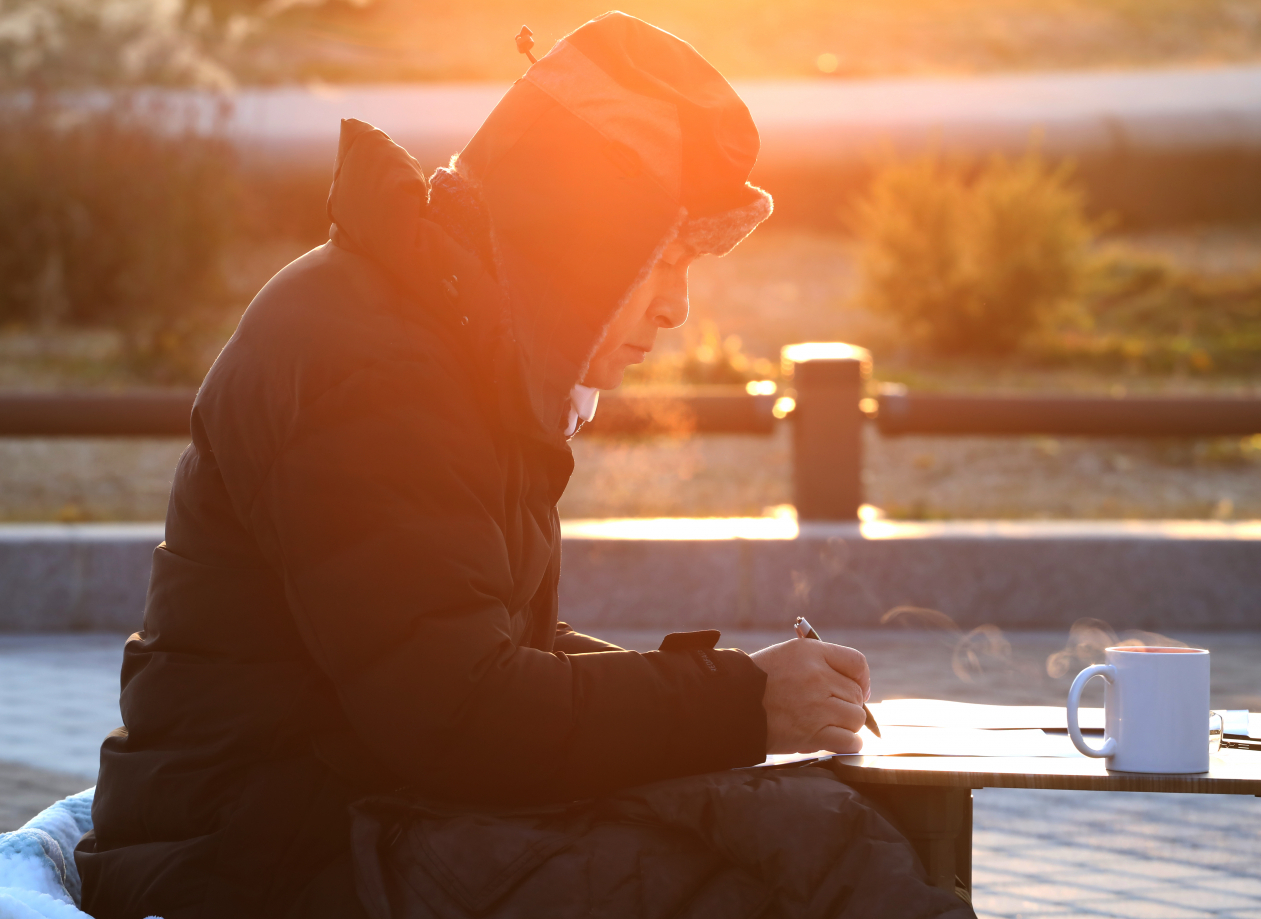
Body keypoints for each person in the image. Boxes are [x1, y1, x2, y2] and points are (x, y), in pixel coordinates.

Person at [75, 13, 976, 919]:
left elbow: (475, 660)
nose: (678, 310)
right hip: (261, 853)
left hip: (356, 807)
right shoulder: (376, 367)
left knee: (811, 828)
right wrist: (741, 700)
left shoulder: (453, 341)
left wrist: (739, 692)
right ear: (578, 245)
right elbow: (459, 714)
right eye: (662, 259)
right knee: (737, 888)